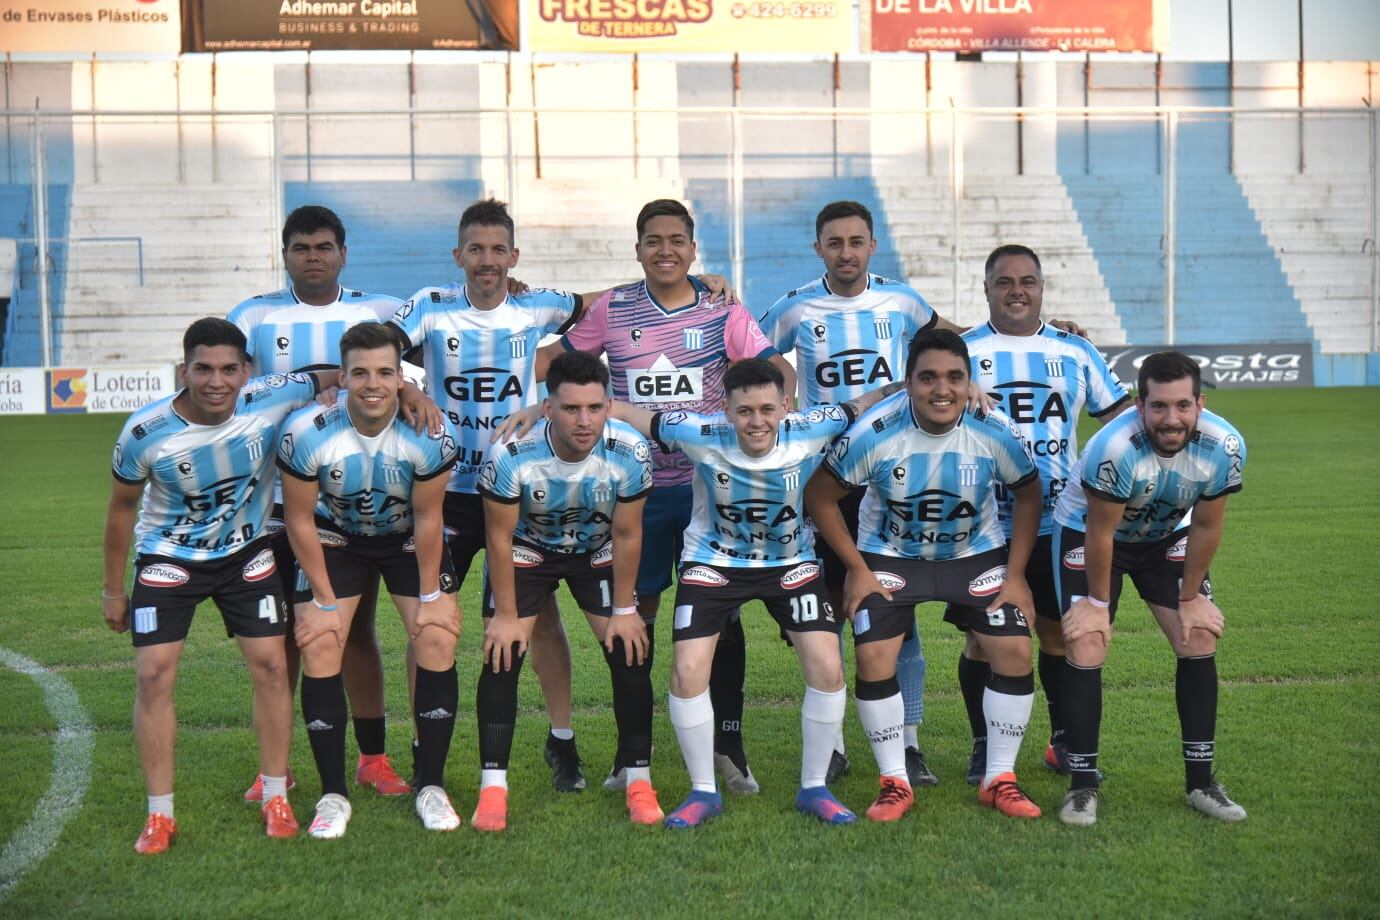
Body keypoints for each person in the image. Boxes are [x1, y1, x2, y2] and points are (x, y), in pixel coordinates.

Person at [557, 198, 798, 795]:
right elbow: (557, 365)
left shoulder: (721, 308)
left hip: (707, 491)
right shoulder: (613, 307)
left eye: (677, 240)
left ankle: (730, 749)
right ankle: (630, 755)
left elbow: (775, 370)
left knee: (724, 616)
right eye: (653, 240)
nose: (665, 250)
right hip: (634, 494)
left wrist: (778, 409)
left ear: (693, 249)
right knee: (633, 619)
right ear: (637, 249)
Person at [610, 358, 896, 827]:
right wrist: (544, 408)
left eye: (767, 409)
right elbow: (625, 411)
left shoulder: (812, 427)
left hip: (790, 564)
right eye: (744, 411)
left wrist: (905, 385)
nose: (757, 421)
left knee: (827, 665)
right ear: (725, 410)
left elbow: (861, 403)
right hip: (713, 564)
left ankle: (814, 788)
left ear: (786, 406)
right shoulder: (696, 432)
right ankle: (704, 791)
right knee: (686, 672)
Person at [102, 318, 335, 853]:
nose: (216, 381)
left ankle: (276, 792)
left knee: (274, 667)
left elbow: (330, 373)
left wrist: (410, 388)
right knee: (154, 676)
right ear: (183, 370)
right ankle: (160, 813)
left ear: (246, 372)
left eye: (229, 369)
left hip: (244, 554)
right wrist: (114, 590)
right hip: (169, 558)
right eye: (203, 368)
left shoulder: (270, 396)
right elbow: (120, 510)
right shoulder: (144, 432)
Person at [756, 200, 959, 787]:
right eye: (835, 242)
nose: (846, 252)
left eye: (856, 241)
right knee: (829, 614)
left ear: (872, 246)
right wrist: (785, 379)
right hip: (826, 478)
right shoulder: (795, 306)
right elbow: (748, 347)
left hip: (897, 471)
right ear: (819, 248)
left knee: (902, 614)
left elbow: (953, 341)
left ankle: (911, 742)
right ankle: (838, 741)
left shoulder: (903, 301)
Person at [806, 329, 1045, 821]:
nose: (943, 389)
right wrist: (856, 568)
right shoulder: (875, 431)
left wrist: (1016, 575)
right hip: (890, 557)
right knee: (874, 655)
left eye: (955, 377)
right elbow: (819, 496)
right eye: (928, 378)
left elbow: (1028, 493)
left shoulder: (994, 427)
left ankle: (999, 777)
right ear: (908, 382)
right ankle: (894, 781)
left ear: (969, 381)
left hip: (974, 554)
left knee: (1016, 648)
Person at [228, 205, 423, 801]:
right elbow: (230, 391)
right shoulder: (254, 315)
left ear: (343, 252)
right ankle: (277, 772)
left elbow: (439, 333)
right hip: (273, 501)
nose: (312, 256)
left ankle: (372, 758)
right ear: (284, 254)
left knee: (355, 629)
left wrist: (411, 385)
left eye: (323, 247)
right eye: (300, 247)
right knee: (288, 636)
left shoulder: (380, 311)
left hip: (348, 503)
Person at [278, 323, 463, 838]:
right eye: (360, 373)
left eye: (385, 372)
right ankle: (333, 795)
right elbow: (298, 520)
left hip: (406, 537)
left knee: (436, 634)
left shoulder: (429, 432)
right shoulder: (307, 431)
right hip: (337, 538)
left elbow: (429, 520)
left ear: (401, 378)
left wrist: (431, 595)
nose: (372, 384)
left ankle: (431, 785)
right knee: (320, 639)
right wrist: (321, 598)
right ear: (343, 376)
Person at [1051, 351, 1248, 826]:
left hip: (1165, 536)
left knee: (1197, 635)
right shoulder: (1114, 448)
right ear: (1141, 405)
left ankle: (1201, 783)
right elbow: (1100, 533)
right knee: (1087, 642)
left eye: (1182, 405)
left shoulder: (1225, 445)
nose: (1171, 418)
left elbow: (1206, 524)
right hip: (1091, 536)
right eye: (1159, 406)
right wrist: (1098, 605)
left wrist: (1190, 596)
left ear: (1199, 403)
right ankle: (1081, 786)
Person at [957, 244, 1130, 784]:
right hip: (984, 522)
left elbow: (1119, 415)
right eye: (1004, 281)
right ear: (985, 289)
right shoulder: (960, 353)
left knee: (1060, 635)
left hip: (1063, 522)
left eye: (1027, 281)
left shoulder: (1074, 349)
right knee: (983, 640)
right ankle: (985, 746)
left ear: (1041, 288)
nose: (1016, 290)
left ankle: (1064, 741)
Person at [472, 351, 658, 830]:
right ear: (548, 407)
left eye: (595, 408)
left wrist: (624, 608)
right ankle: (493, 789)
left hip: (595, 548)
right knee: (503, 650)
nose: (584, 420)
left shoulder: (630, 451)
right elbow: (497, 537)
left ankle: (638, 780)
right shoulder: (511, 454)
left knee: (630, 646)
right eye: (571, 409)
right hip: (526, 548)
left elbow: (628, 533)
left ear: (609, 405)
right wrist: (507, 615)